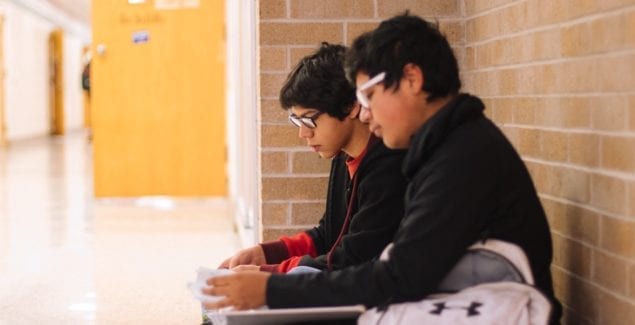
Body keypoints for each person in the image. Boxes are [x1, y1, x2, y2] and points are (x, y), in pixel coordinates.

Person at [204, 13, 562, 323]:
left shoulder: (464, 157)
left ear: (411, 79)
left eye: (368, 97)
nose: (364, 113)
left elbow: (398, 277)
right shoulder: (443, 148)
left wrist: (272, 286)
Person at [219, 43, 407, 274]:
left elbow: (352, 259)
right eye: (296, 121)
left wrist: (270, 274)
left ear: (351, 107)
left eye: (309, 120)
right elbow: (329, 234)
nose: (303, 133)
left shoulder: (388, 166)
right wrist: (267, 253)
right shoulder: (343, 155)